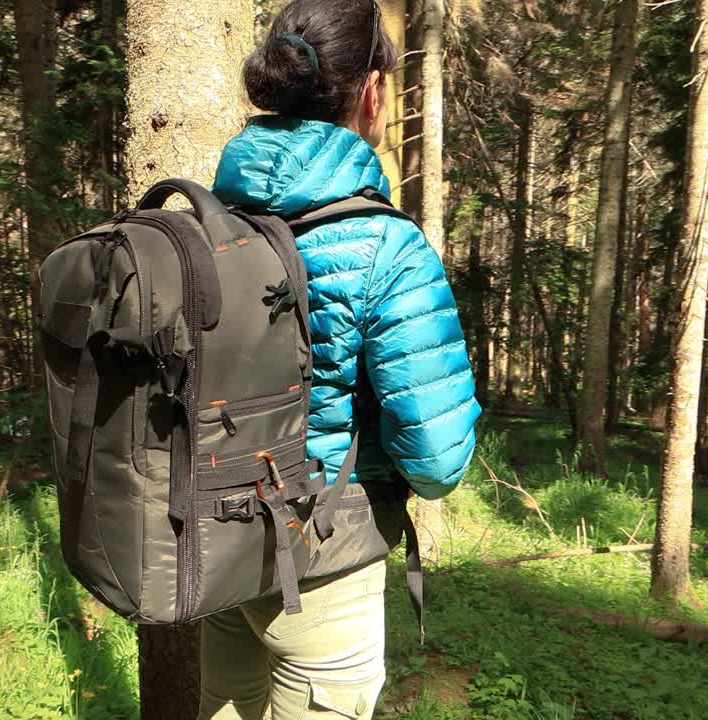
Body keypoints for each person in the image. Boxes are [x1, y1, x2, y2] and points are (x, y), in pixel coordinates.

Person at [201, 0, 481, 717]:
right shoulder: (386, 246)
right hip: (322, 555)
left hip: (211, 535)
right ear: (372, 91)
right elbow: (439, 461)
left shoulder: (206, 223)